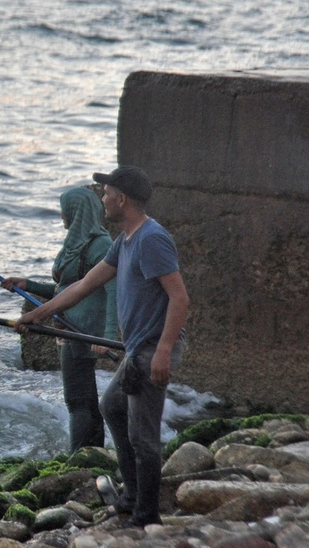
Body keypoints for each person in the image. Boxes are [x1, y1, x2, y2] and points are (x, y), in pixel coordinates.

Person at [14, 166, 189, 529]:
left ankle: (145, 513)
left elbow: (179, 297)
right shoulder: (123, 240)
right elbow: (83, 285)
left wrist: (163, 351)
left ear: (121, 199)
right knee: (112, 407)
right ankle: (131, 497)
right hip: (139, 346)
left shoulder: (151, 239)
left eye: (106, 193)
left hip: (152, 347)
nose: (103, 199)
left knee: (143, 436)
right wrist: (39, 315)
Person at [1, 186, 118, 454]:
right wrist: (27, 284)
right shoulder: (77, 243)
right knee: (86, 399)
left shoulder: (100, 246)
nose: (61, 215)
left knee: (77, 401)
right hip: (66, 328)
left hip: (81, 331)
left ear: (77, 212)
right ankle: (93, 454)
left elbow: (113, 291)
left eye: (65, 210)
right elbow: (65, 290)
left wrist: (109, 336)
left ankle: (78, 458)